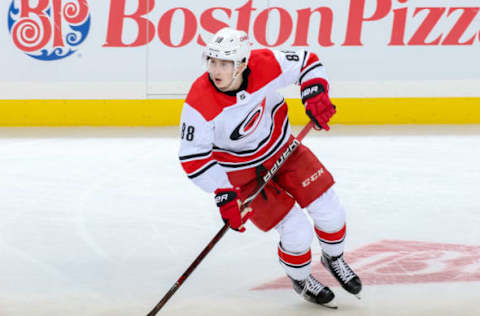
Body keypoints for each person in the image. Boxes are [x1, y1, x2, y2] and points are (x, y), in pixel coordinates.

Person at [178, 27, 361, 307]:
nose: (216, 70)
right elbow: (193, 158)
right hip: (243, 175)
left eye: (224, 63)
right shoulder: (199, 102)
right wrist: (224, 193)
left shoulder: (264, 63)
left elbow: (307, 61)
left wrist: (315, 93)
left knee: (330, 211)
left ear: (241, 63)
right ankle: (300, 278)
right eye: (212, 61)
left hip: (285, 152)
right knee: (296, 231)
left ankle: (333, 258)